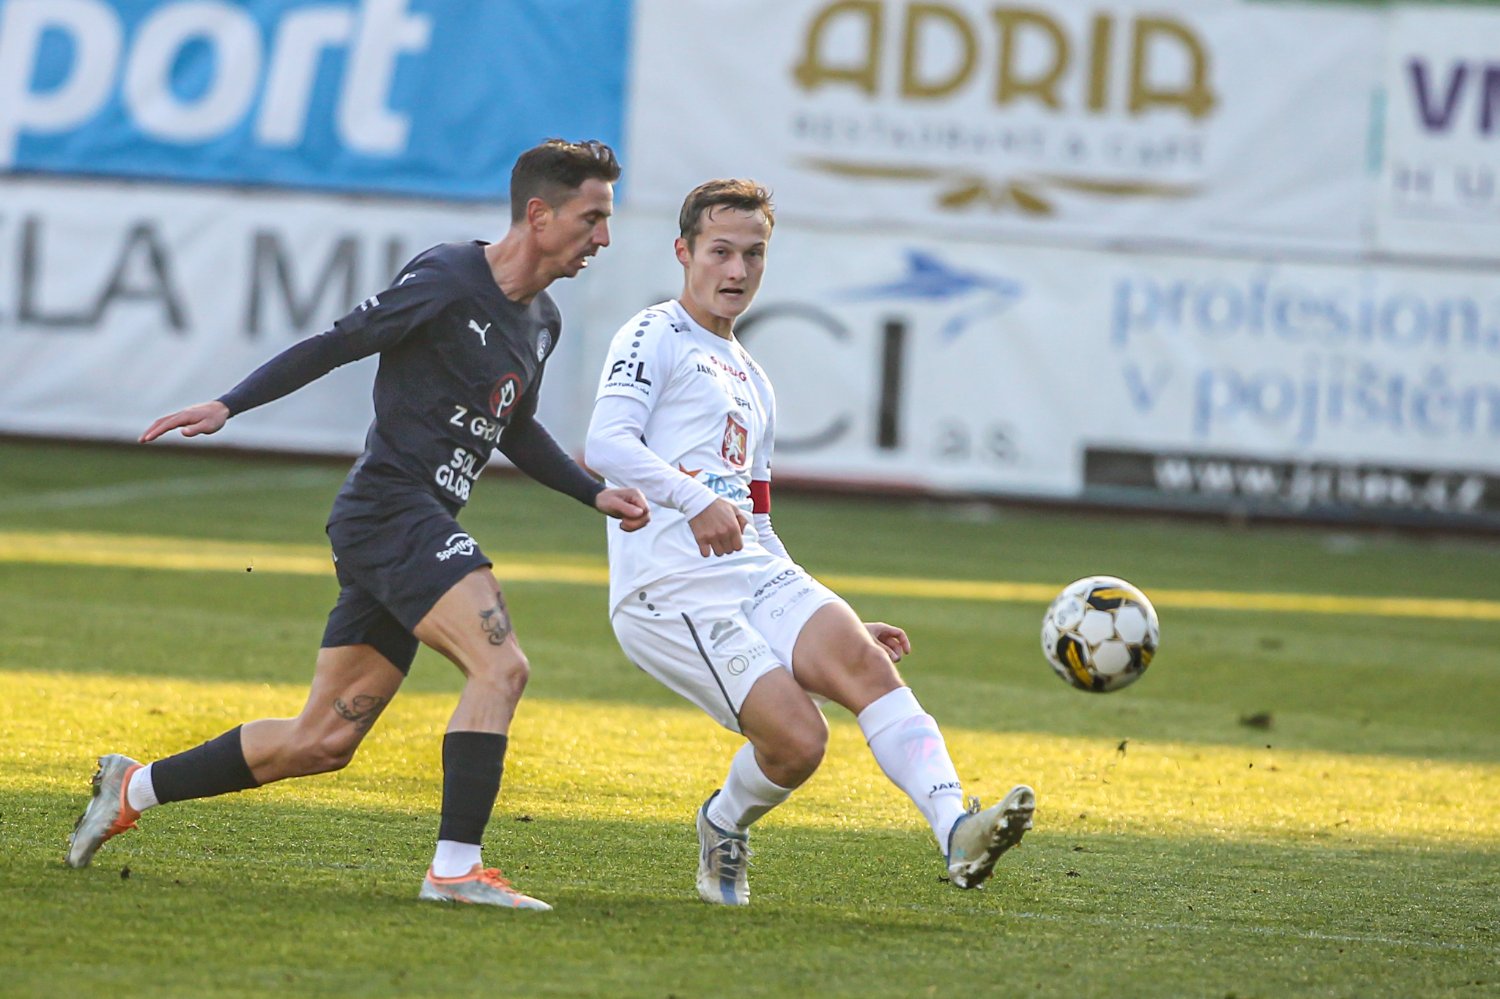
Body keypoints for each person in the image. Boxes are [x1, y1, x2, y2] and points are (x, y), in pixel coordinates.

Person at [66, 138, 649, 911]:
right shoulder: (448, 277)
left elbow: (516, 426)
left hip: (411, 525)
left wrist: (591, 493)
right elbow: (338, 343)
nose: (603, 237)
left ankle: (132, 787)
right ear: (539, 214)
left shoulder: (542, 321)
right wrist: (229, 404)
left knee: (322, 740)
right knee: (502, 667)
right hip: (390, 509)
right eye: (592, 218)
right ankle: (455, 869)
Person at [583, 179, 1035, 906]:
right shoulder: (653, 333)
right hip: (667, 589)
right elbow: (606, 442)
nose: (737, 270)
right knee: (800, 744)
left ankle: (957, 827)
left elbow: (758, 521)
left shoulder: (753, 378)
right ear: (683, 252)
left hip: (750, 568)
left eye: (754, 254)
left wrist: (828, 616)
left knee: (863, 662)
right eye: (721, 251)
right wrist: (694, 500)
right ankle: (724, 821)